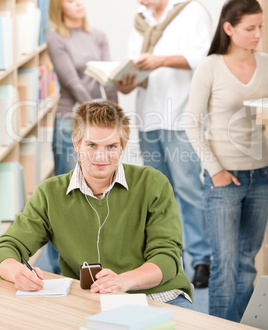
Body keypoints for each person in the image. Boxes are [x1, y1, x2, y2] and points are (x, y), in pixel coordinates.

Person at [0, 100, 193, 310]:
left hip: (158, 296)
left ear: (123, 148)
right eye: (91, 145)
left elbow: (167, 258)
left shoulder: (152, 184)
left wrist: (123, 281)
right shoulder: (49, 193)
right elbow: (8, 246)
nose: (101, 156)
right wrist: (16, 272)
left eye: (111, 146)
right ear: (76, 143)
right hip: (92, 300)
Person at [115, 0, 211, 288]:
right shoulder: (141, 20)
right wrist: (124, 80)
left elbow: (203, 57)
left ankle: (202, 259)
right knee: (159, 192)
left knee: (188, 189)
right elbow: (134, 64)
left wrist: (159, 60)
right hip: (148, 117)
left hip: (181, 115)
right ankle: (171, 258)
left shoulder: (191, 11)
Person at [186, 0, 268, 321]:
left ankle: (243, 325)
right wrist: (215, 170)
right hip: (224, 178)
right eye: (250, 28)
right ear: (229, 29)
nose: (258, 34)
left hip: (261, 174)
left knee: (248, 261)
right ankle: (220, 326)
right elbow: (191, 124)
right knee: (225, 263)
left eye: (260, 26)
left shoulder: (266, 63)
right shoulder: (210, 67)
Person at [46, 0, 118, 273]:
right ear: (59, 6)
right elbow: (72, 82)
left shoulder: (98, 34)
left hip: (98, 125)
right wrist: (96, 115)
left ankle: (92, 260)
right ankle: (59, 265)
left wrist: (114, 115)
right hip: (70, 122)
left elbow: (109, 77)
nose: (78, 3)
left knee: (99, 191)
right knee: (68, 195)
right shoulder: (55, 38)